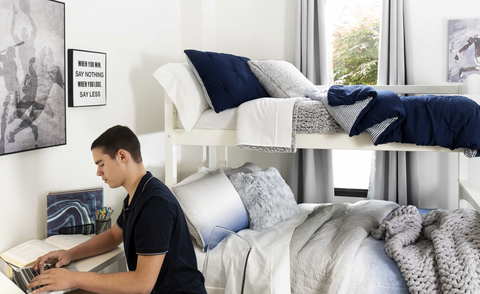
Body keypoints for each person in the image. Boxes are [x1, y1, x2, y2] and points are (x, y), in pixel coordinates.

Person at [28, 125, 207, 294]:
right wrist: (68, 254)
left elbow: (142, 284)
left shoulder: (155, 204)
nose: (98, 172)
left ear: (122, 156)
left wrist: (73, 278)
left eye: (101, 164)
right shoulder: (137, 193)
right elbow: (114, 235)